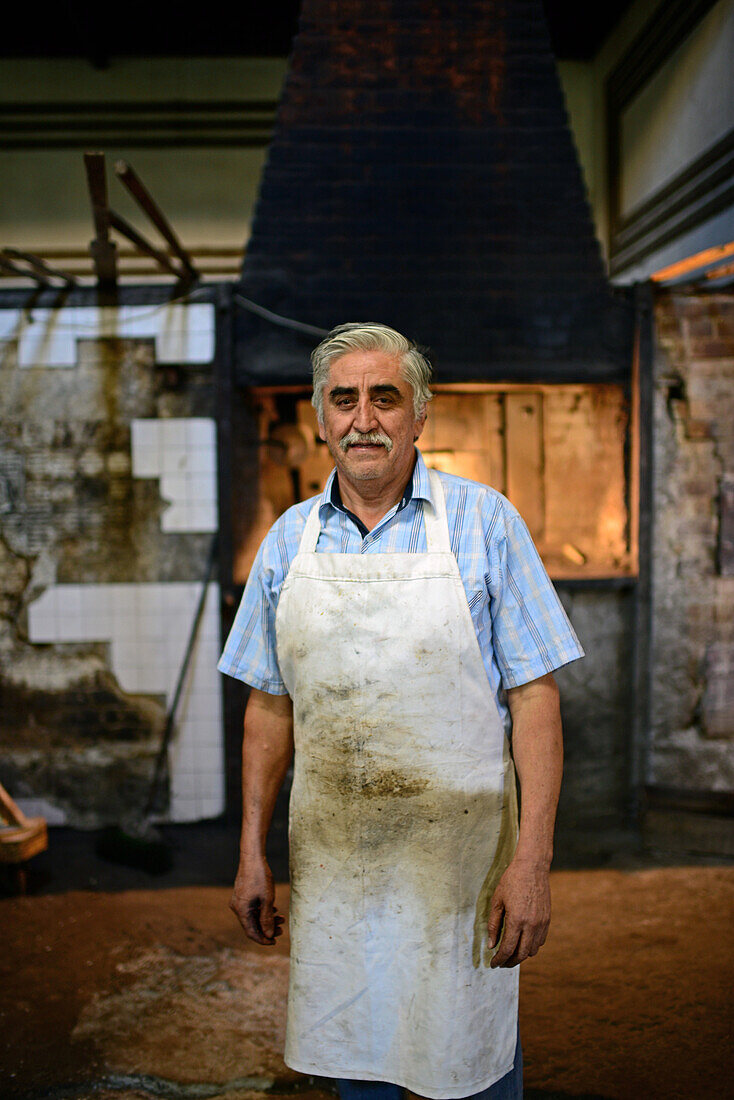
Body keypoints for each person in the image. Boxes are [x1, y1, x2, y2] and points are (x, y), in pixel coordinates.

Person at [218, 322, 584, 1100]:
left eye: (384, 398)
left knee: (469, 1064)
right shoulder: (288, 543)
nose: (364, 419)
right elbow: (267, 709)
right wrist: (252, 851)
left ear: (421, 414)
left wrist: (534, 863)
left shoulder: (486, 524)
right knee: (360, 1062)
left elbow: (537, 700)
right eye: (344, 400)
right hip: (337, 872)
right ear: (321, 417)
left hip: (460, 872)